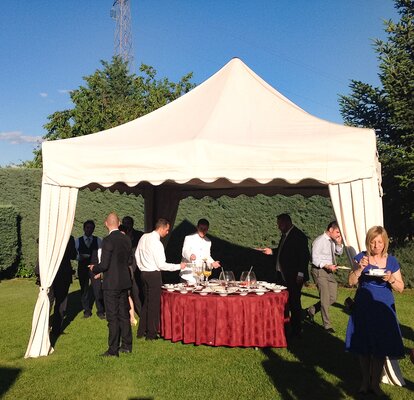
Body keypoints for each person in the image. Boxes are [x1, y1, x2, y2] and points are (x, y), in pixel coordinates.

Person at [345, 226, 404, 396]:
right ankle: (364, 382)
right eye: (373, 241)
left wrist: (391, 278)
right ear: (369, 242)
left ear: (385, 243)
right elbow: (350, 281)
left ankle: (375, 383)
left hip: (383, 308)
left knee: (380, 347)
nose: (376, 245)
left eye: (380, 242)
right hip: (363, 306)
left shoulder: (392, 261)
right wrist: (359, 269)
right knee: (363, 345)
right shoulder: (361, 258)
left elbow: (400, 287)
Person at [258, 213, 310, 337]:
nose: (278, 227)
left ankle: (297, 329)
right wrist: (272, 251)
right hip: (283, 275)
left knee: (294, 302)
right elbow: (284, 251)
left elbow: (304, 256)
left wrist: (301, 273)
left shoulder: (298, 236)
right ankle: (285, 326)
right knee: (284, 301)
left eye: (280, 224)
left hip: (293, 276)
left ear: (286, 222)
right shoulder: (285, 235)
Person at [135, 218, 186, 340]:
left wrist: (142, 267)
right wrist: (179, 266)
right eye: (167, 230)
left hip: (144, 273)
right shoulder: (157, 243)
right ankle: (151, 333)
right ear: (161, 228)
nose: (167, 233)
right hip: (153, 275)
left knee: (146, 302)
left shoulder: (144, 237)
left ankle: (141, 331)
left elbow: (137, 255)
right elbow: (162, 265)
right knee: (153, 304)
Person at [89, 213, 133, 357]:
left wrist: (94, 268)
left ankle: (113, 350)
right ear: (119, 222)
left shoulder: (107, 240)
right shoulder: (127, 239)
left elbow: (104, 264)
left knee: (112, 317)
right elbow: (130, 261)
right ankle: (127, 345)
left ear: (106, 223)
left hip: (111, 284)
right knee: (124, 314)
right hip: (124, 281)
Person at [306, 221, 343, 333]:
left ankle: (311, 310)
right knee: (325, 298)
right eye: (337, 232)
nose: (338, 235)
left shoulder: (332, 241)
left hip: (329, 271)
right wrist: (326, 265)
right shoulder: (319, 241)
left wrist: (339, 244)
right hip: (320, 270)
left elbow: (339, 253)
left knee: (332, 297)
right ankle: (327, 325)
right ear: (330, 230)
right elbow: (314, 259)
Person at [75, 220, 103, 318]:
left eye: (91, 228)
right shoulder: (77, 241)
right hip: (82, 268)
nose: (89, 230)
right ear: (84, 228)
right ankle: (87, 310)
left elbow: (100, 255)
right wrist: (80, 257)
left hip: (95, 268)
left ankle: (100, 311)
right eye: (87, 227)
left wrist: (100, 269)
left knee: (98, 289)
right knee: (84, 289)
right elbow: (75, 255)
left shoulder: (98, 240)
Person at [181, 218, 221, 284]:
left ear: (207, 229)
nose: (203, 231)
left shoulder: (208, 241)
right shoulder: (189, 238)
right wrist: (190, 256)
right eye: (201, 228)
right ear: (197, 227)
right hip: (188, 274)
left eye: (205, 229)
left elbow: (207, 256)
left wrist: (213, 263)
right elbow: (185, 251)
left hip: (200, 274)